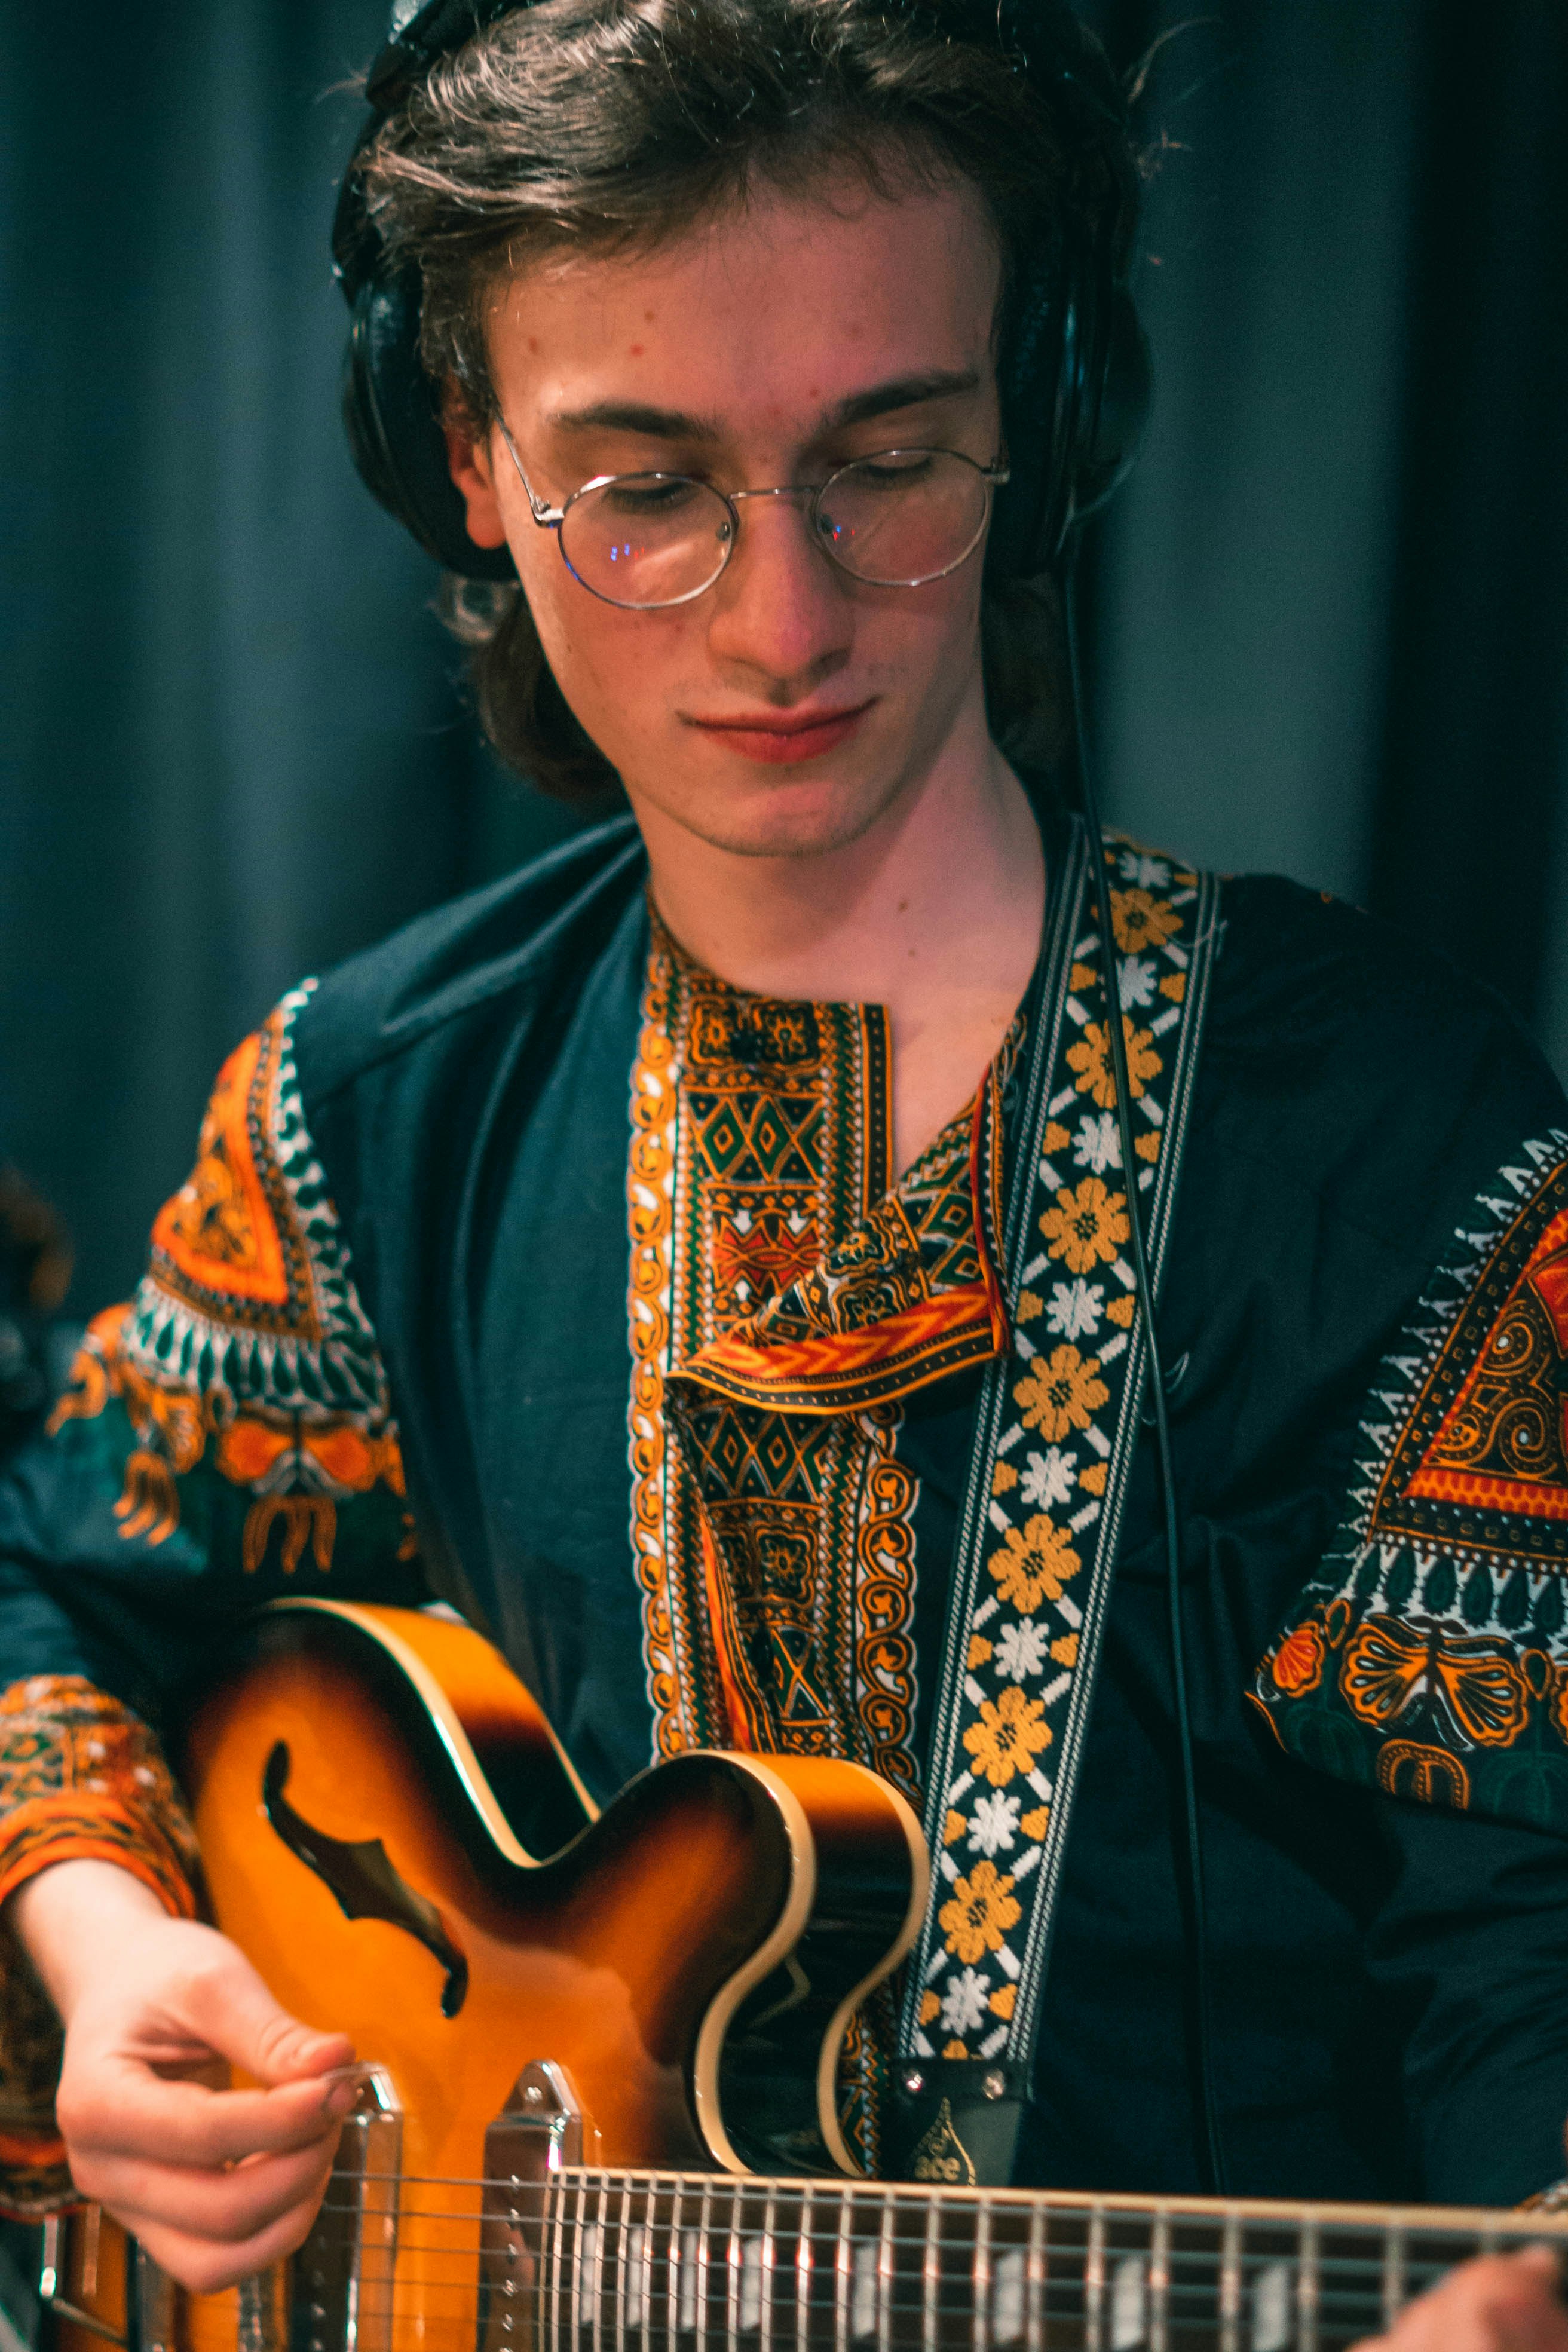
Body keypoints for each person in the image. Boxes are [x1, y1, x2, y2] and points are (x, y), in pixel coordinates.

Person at [2, 1, 1567, 2342]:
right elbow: (63, 1597)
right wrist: (116, 1953)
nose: (780, 617)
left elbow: (1522, 1943)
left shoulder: (1391, 1153)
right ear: (468, 462)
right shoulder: (363, 1109)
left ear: (1035, 419)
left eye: (889, 457)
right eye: (641, 489)